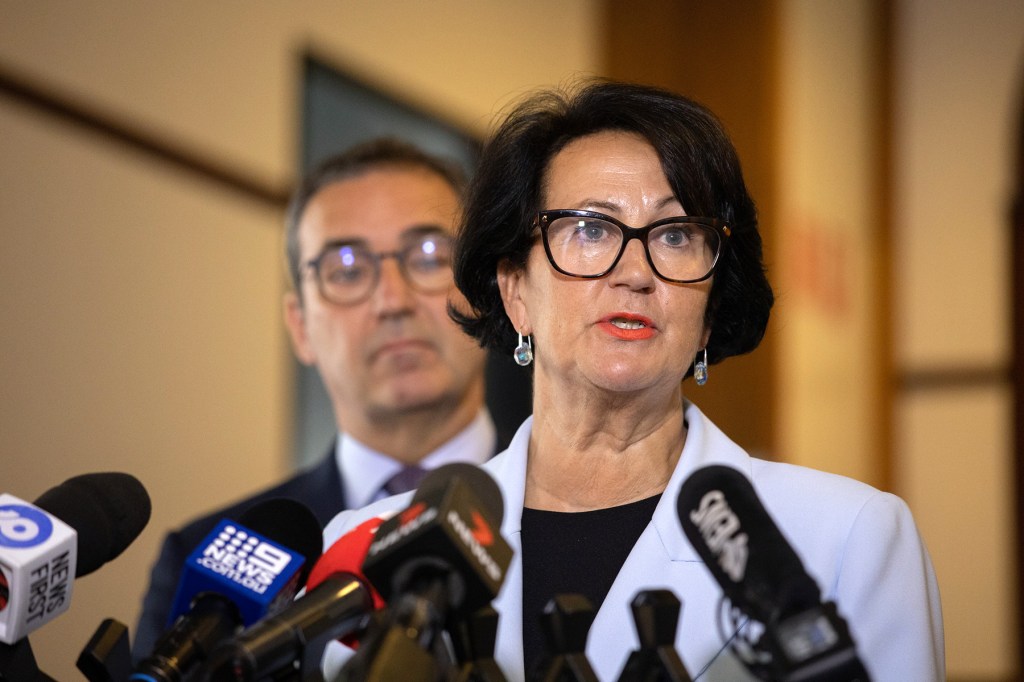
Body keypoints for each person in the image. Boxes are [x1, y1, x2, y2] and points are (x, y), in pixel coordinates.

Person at [322, 82, 945, 680]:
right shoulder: (372, 548)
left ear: (708, 314)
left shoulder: (847, 536)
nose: (635, 271)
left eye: (675, 236)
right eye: (590, 229)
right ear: (516, 294)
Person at [133, 138, 518, 658]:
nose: (393, 301)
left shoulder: (576, 513)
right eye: (348, 270)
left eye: (429, 256)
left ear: (488, 289)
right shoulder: (206, 559)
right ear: (300, 327)